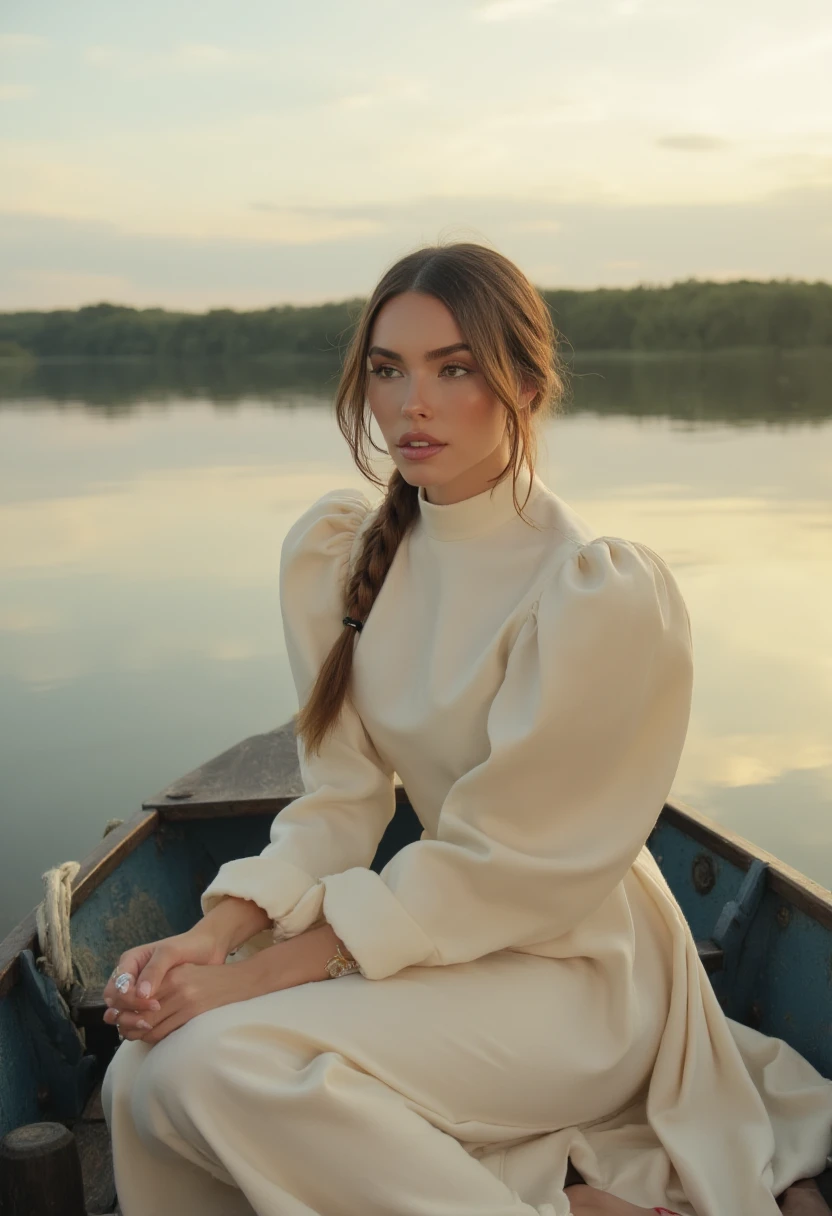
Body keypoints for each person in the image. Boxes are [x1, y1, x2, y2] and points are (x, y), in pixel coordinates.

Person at [100, 242, 832, 1216]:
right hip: (444, 935)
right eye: (387, 369)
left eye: (454, 369)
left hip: (580, 974)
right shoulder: (344, 559)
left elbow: (499, 866)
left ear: (526, 385)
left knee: (205, 1069)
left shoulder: (592, 593)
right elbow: (340, 802)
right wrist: (210, 937)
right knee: (135, 1081)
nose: (413, 404)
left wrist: (260, 980)